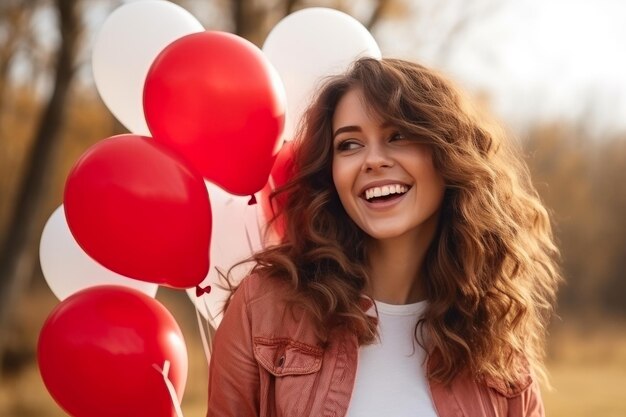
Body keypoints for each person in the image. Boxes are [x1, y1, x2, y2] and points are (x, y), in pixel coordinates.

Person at [206, 57, 561, 417]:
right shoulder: (262, 308)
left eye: (398, 136)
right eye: (349, 145)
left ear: (449, 158)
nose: (373, 160)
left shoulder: (493, 338)